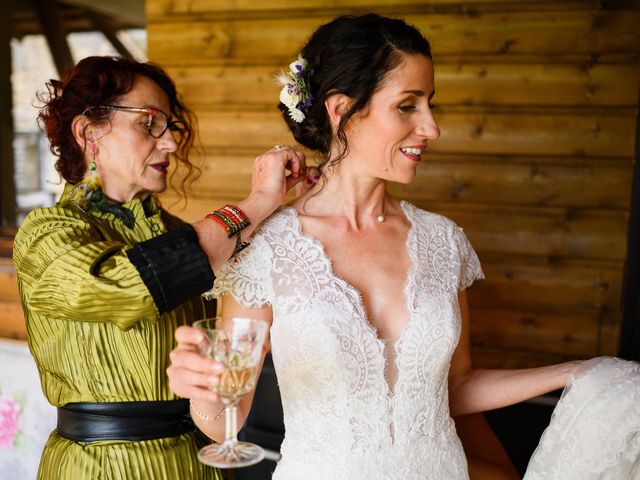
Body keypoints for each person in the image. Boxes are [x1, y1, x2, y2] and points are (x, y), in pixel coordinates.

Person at [167, 14, 640, 480]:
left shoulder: (443, 240)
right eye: (408, 105)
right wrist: (203, 390)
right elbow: (221, 423)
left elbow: (454, 387)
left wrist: (578, 371)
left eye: (430, 104)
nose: (431, 127)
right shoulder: (266, 249)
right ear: (341, 110)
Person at [12, 56, 313, 480]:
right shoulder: (47, 235)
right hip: (99, 468)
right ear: (88, 132)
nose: (170, 143)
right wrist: (258, 202)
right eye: (149, 124)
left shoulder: (179, 232)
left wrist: (297, 209)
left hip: (198, 461)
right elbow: (129, 283)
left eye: (170, 127)